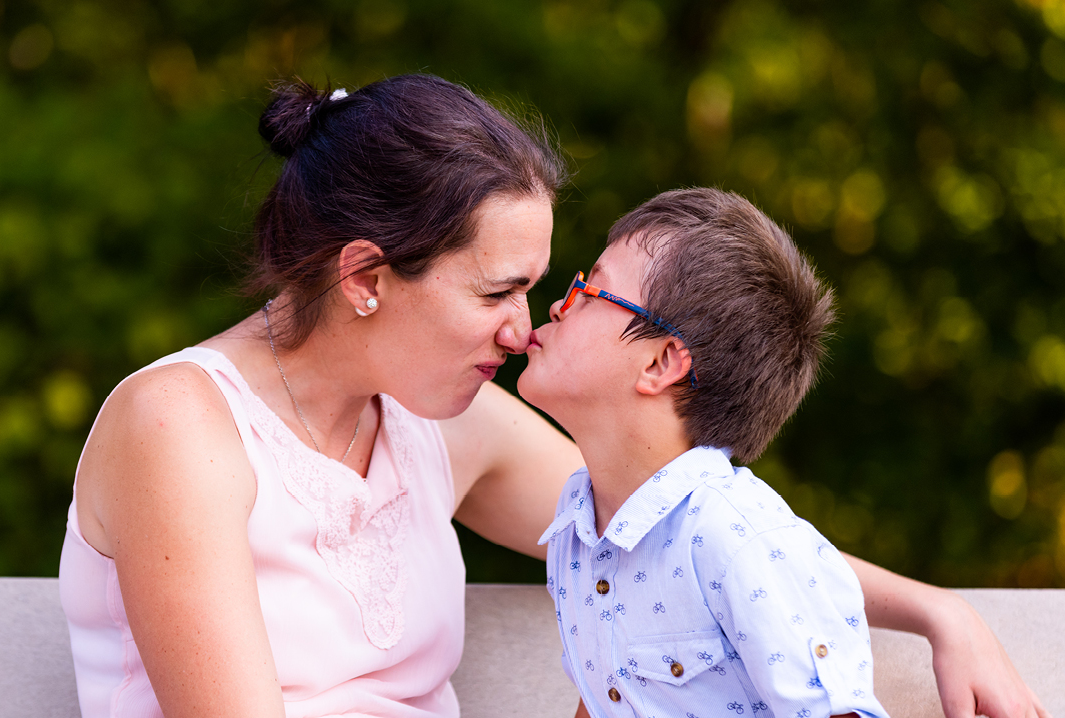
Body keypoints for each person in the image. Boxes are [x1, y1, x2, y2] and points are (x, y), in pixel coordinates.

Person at [58, 74, 1048, 718]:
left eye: (539, 286)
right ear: (366, 275)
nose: (523, 326)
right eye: (497, 290)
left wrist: (938, 613)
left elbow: (698, 529)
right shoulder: (180, 427)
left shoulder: (437, 415)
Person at [522, 188, 884, 718]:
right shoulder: (576, 527)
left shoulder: (737, 537)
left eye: (591, 290)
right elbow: (605, 696)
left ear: (660, 362)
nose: (559, 303)